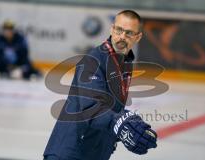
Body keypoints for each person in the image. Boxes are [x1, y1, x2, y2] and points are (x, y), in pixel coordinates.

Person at [43, 10, 157, 160]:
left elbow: (110, 105)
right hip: (70, 151)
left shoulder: (125, 63)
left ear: (138, 37)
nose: (122, 36)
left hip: (93, 151)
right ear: (112, 29)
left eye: (129, 33)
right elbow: (92, 107)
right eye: (119, 30)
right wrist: (119, 122)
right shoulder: (93, 60)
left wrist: (126, 119)